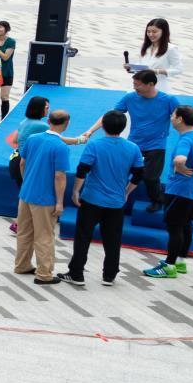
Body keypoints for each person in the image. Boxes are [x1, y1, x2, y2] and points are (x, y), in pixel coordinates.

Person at [74, 70, 176, 211]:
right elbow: (110, 115)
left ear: (151, 84)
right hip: (134, 143)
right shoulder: (130, 98)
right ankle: (116, 196)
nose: (134, 87)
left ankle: (157, 200)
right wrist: (90, 131)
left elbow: (181, 118)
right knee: (121, 169)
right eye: (134, 84)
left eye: (137, 85)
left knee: (151, 177)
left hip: (156, 144)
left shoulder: (168, 100)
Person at [66, 110, 143, 286]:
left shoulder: (95, 145)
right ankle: (109, 275)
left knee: (83, 237)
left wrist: (75, 191)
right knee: (113, 239)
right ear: (123, 127)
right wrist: (126, 192)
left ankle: (76, 273)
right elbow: (139, 174)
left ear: (104, 127)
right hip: (116, 202)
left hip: (91, 199)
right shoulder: (133, 148)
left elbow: (82, 169)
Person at [145, 105, 193, 280]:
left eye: (173, 115)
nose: (171, 117)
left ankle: (169, 266)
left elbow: (180, 158)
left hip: (180, 190)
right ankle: (180, 261)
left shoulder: (185, 140)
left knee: (175, 228)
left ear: (180, 119)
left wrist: (179, 166)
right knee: (186, 226)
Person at [15, 109, 71, 285]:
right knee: (44, 235)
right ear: (66, 124)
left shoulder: (33, 139)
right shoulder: (61, 146)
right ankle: (44, 274)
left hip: (26, 194)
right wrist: (60, 202)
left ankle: (22, 264)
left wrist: (27, 183)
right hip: (45, 198)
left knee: (24, 232)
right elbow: (59, 176)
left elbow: (22, 163)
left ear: (48, 121)